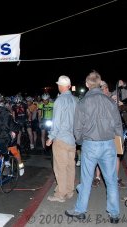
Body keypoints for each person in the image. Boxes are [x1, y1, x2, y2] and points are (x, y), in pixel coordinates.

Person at [65, 71, 123, 224]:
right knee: (111, 180)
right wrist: (118, 143)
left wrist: (80, 142)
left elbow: (77, 127)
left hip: (90, 144)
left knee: (86, 179)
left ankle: (80, 210)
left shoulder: (83, 102)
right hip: (108, 144)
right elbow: (118, 125)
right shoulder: (110, 102)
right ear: (100, 83)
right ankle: (114, 213)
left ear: (87, 84)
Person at [46, 75, 78, 203]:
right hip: (72, 139)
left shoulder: (59, 101)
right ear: (69, 86)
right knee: (70, 166)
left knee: (60, 168)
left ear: (60, 86)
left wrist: (50, 137)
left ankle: (60, 194)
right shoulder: (76, 100)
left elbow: (57, 122)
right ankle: (69, 191)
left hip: (61, 139)